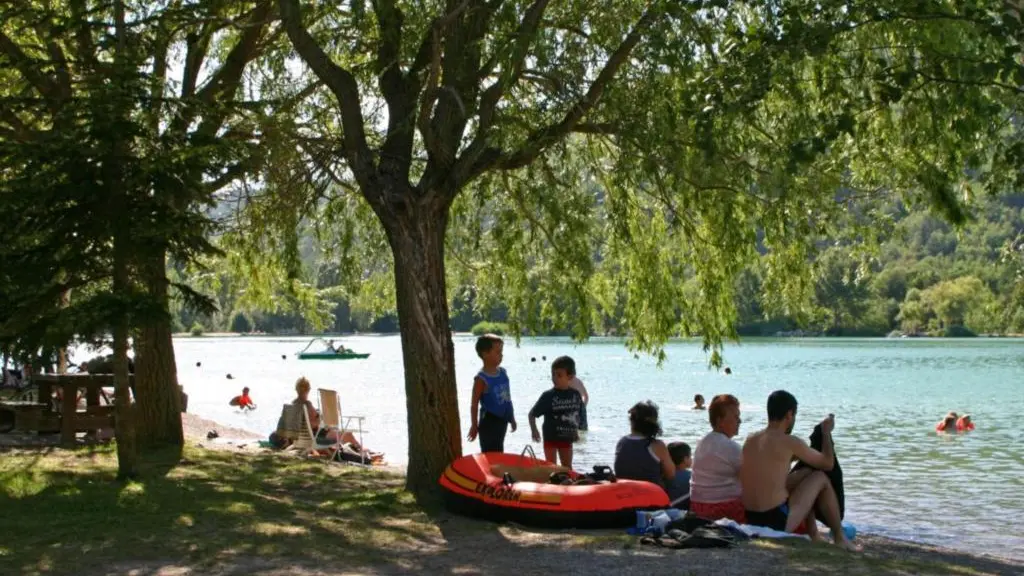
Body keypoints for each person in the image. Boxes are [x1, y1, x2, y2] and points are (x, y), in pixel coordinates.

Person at [740, 390, 859, 551]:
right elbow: (828, 463)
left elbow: (775, 462)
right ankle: (839, 537)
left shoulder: (751, 439)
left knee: (804, 475)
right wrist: (825, 433)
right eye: (794, 416)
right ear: (789, 415)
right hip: (776, 522)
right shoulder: (790, 442)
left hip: (751, 517)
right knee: (820, 477)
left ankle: (814, 535)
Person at [690, 394, 745, 523]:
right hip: (723, 510)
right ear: (720, 421)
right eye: (736, 417)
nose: (740, 421)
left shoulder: (702, 442)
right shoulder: (730, 447)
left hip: (697, 507)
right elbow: (751, 481)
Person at [290, 377, 376, 459]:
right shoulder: (308, 405)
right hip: (316, 437)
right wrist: (322, 418)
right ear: (308, 390)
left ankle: (358, 451)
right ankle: (362, 451)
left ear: (296, 389)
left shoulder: (294, 403)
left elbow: (304, 422)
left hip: (302, 438)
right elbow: (314, 424)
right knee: (346, 434)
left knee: (336, 432)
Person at [529, 356, 583, 467]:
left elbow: (577, 415)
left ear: (570, 376)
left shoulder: (575, 394)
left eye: (559, 375)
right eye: (553, 374)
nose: (554, 378)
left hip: (567, 438)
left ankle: (568, 484)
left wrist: (576, 431)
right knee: (551, 467)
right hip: (550, 438)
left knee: (567, 467)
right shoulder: (548, 396)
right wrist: (534, 430)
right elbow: (532, 414)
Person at [467, 334, 516, 452]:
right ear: (485, 354)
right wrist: (474, 425)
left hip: (502, 420)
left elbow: (507, 398)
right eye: (498, 352)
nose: (501, 355)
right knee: (490, 452)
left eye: (502, 352)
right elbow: (474, 404)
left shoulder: (503, 372)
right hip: (489, 421)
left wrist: (512, 418)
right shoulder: (481, 379)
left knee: (499, 449)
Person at [613, 401, 676, 492]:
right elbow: (671, 474)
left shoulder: (622, 442)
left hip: (624, 493)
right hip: (649, 494)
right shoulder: (657, 445)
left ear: (631, 421)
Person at [568, 368, 589, 432]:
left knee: (571, 430)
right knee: (583, 430)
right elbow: (586, 397)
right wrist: (583, 408)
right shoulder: (579, 381)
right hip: (581, 406)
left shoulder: (567, 382)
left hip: (572, 407)